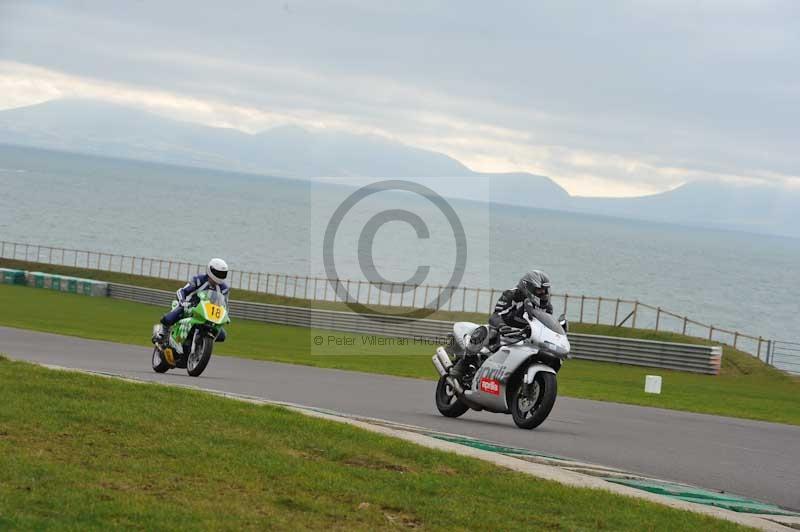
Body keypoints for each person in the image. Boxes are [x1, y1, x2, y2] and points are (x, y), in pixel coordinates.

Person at [450, 270, 553, 378]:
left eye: (545, 290)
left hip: (525, 337)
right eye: (539, 290)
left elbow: (545, 328)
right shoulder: (512, 295)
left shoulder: (547, 307)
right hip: (502, 331)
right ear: (528, 287)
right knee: (485, 332)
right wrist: (502, 326)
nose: (543, 293)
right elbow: (495, 316)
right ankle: (464, 363)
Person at [152, 258, 230, 345]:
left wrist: (225, 315)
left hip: (207, 314)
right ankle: (162, 332)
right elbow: (182, 291)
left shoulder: (224, 288)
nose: (220, 276)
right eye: (218, 273)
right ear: (210, 270)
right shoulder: (199, 279)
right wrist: (182, 301)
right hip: (190, 307)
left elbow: (224, 304)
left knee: (222, 335)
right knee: (170, 318)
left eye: (222, 274)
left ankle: (201, 344)